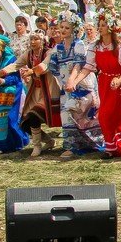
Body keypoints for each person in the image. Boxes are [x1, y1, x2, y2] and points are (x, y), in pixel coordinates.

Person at [38, 18, 104, 159]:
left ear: (73, 30)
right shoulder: (58, 48)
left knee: (84, 115)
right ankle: (71, 146)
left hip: (81, 84)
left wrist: (72, 81)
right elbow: (51, 65)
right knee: (67, 115)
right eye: (61, 27)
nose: (62, 30)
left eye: (67, 28)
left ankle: (92, 143)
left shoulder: (79, 45)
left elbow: (77, 65)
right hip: (66, 85)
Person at [85, 18, 121, 158]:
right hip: (105, 83)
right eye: (99, 25)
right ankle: (111, 147)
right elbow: (88, 67)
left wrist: (119, 79)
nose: (100, 27)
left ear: (110, 28)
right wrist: (73, 81)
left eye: (103, 25)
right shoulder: (95, 46)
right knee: (105, 115)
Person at [18, 29, 60, 157]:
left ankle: (36, 146)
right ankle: (48, 140)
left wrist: (31, 71)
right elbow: (15, 64)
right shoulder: (29, 54)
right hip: (35, 92)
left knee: (34, 114)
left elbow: (44, 66)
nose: (33, 42)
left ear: (42, 41)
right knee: (25, 123)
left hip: (48, 91)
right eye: (31, 39)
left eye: (36, 39)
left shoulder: (48, 53)